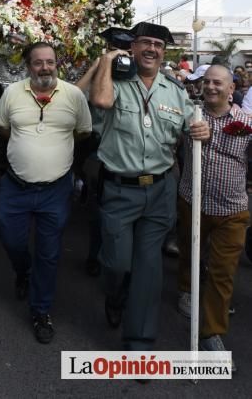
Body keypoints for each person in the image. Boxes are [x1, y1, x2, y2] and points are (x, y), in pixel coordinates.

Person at [89, 22, 209, 352]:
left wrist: (202, 131)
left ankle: (139, 339)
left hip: (159, 190)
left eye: (158, 44)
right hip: (119, 190)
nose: (152, 49)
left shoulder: (175, 90)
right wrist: (107, 60)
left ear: (163, 51)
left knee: (149, 268)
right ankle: (115, 295)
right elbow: (99, 101)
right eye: (145, 43)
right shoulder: (113, 80)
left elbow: (194, 124)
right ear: (133, 46)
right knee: (117, 264)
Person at [0, 42, 92, 344]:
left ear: (57, 64)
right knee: (11, 239)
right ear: (28, 66)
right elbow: (2, 128)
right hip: (16, 187)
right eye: (38, 63)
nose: (45, 68)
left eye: (50, 62)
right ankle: (23, 271)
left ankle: (40, 310)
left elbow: (83, 131)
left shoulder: (74, 96)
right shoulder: (11, 92)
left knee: (48, 254)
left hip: (55, 190)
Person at [177, 65, 251, 367]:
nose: (210, 87)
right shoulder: (189, 115)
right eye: (206, 82)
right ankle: (185, 289)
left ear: (231, 88)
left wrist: (212, 139)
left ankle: (211, 332)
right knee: (189, 253)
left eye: (217, 82)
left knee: (222, 273)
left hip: (231, 209)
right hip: (191, 201)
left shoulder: (246, 122)